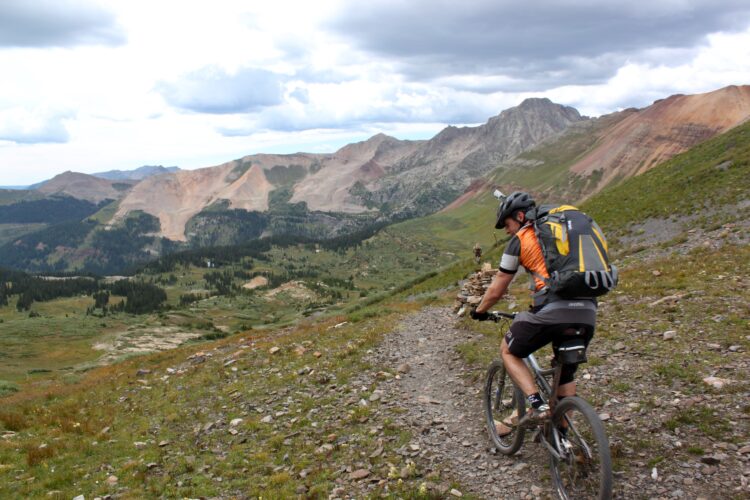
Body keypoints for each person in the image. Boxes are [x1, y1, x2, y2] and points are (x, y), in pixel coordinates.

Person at [470, 191, 597, 431]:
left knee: (508, 350)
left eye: (507, 224)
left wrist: (479, 310)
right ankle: (564, 438)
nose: (507, 231)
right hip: (588, 311)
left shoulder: (521, 239)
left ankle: (537, 406)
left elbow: (498, 287)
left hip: (553, 311)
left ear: (519, 216)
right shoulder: (567, 237)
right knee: (565, 373)